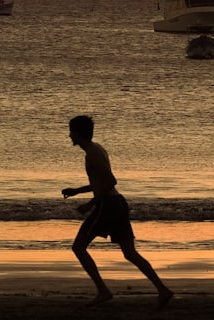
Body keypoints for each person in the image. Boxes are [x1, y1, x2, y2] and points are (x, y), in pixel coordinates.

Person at [61, 115, 173, 308]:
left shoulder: (92, 153)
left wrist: (91, 203)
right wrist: (76, 191)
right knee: (129, 253)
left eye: (71, 131)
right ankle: (162, 290)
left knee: (78, 247)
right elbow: (100, 182)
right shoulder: (96, 149)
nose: (69, 135)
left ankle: (103, 291)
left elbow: (111, 181)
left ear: (78, 133)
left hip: (108, 205)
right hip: (117, 203)